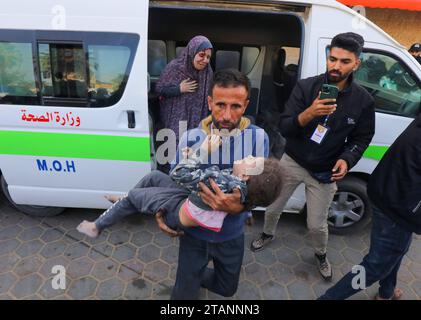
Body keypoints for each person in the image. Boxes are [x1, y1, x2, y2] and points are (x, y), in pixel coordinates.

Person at [250, 32, 376, 281]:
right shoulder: (306, 86)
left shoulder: (364, 101)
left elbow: (362, 138)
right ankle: (267, 233)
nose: (336, 66)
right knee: (273, 207)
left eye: (344, 61)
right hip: (292, 161)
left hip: (325, 171)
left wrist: (347, 159)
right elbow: (284, 126)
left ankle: (320, 253)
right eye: (333, 59)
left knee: (316, 225)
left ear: (356, 64)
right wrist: (309, 113)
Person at [156, 68, 270, 300]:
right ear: (209, 102)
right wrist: (163, 210)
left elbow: (259, 190)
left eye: (236, 106)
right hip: (194, 235)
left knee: (227, 289)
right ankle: (189, 280)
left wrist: (240, 207)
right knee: (183, 295)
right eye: (220, 105)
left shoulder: (259, 139)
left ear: (246, 105)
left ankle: (193, 277)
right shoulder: (190, 138)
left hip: (232, 235)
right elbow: (176, 184)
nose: (227, 115)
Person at [319, 114, 421, 300]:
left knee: (395, 251)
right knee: (376, 266)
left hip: (387, 191)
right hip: (400, 209)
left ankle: (386, 292)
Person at [76, 147, 283, 237]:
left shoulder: (225, 182)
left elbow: (179, 173)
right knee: (154, 176)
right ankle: (124, 203)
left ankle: (97, 226)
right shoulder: (244, 190)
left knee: (134, 197)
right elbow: (251, 201)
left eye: (250, 160)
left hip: (180, 208)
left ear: (245, 176)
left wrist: (201, 151)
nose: (247, 155)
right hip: (190, 198)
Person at [156, 35, 213, 143]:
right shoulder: (175, 68)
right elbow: (159, 89)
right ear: (192, 52)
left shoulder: (208, 72)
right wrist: (179, 89)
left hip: (197, 121)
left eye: (208, 57)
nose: (205, 60)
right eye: (202, 55)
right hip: (176, 122)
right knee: (175, 154)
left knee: (194, 154)